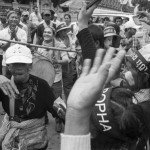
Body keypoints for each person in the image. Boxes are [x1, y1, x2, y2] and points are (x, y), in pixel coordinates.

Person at [0, 44, 59, 150]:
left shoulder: (42, 85)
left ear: (30, 66)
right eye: (14, 63)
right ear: (8, 66)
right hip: (12, 141)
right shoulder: (4, 84)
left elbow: (59, 111)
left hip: (37, 142)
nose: (18, 67)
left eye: (23, 63)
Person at [37, 27, 69, 132]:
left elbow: (66, 60)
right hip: (43, 77)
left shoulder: (59, 45)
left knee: (57, 101)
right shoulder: (40, 45)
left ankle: (59, 120)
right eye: (45, 32)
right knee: (41, 99)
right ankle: (44, 117)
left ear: (53, 34)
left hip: (56, 78)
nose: (46, 34)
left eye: (49, 32)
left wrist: (58, 61)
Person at [0, 10, 27, 78]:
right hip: (6, 62)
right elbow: (3, 48)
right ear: (8, 19)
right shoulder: (2, 32)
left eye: (16, 17)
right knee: (5, 82)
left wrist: (16, 38)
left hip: (19, 62)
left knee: (18, 81)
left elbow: (24, 47)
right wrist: (11, 39)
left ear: (18, 20)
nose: (14, 19)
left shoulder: (23, 32)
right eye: (12, 17)